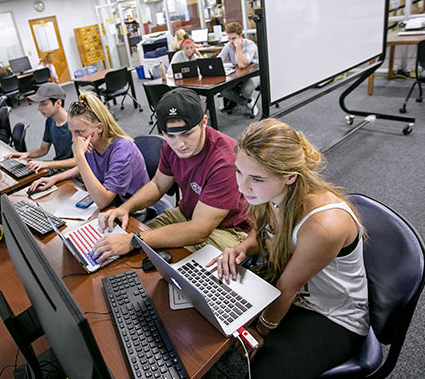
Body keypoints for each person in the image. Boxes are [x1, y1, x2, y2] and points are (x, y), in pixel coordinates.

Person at [209, 118, 369, 378]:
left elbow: (287, 287)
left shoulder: (323, 224)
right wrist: (243, 247)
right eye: (238, 171)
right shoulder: (271, 193)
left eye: (256, 179)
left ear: (290, 176)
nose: (241, 186)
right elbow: (264, 233)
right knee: (211, 329)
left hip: (330, 315)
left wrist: (260, 332)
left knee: (257, 371)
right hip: (287, 294)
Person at [92, 88, 251, 263]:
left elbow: (199, 230)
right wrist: (125, 208)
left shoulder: (225, 161)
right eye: (170, 135)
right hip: (187, 214)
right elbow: (158, 185)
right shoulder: (170, 147)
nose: (179, 144)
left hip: (228, 229)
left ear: (204, 122)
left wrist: (134, 241)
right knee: (131, 248)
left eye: (187, 134)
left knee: (169, 261)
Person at [27, 92, 150, 211]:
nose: (74, 139)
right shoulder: (92, 142)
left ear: (99, 128)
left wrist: (79, 155)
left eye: (79, 132)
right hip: (111, 204)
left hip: (133, 210)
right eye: (72, 132)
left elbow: (103, 201)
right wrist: (55, 178)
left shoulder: (122, 150)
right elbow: (83, 168)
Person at [4, 83, 75, 171]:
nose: (39, 108)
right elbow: (43, 149)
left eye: (43, 104)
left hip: (73, 172)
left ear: (58, 103)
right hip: (58, 167)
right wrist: (26, 154)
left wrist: (46, 164)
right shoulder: (50, 121)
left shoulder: (75, 125)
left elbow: (78, 161)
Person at [219, 21, 260, 116]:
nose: (231, 42)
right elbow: (219, 59)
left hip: (254, 73)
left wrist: (238, 47)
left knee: (245, 91)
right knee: (223, 90)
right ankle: (248, 102)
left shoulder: (250, 45)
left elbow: (242, 64)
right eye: (229, 38)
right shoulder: (228, 45)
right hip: (238, 74)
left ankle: (246, 99)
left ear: (240, 36)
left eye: (234, 38)